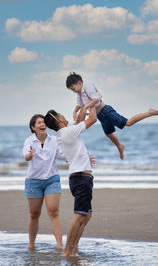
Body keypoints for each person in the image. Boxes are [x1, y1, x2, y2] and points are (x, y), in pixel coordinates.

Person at [66, 72, 158, 160]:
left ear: (79, 83)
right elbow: (79, 104)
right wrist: (75, 112)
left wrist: (86, 106)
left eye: (73, 89)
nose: (74, 91)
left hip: (106, 111)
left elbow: (96, 100)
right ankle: (120, 146)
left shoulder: (87, 86)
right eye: (72, 90)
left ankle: (149, 112)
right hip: (100, 115)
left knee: (128, 123)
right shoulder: (79, 93)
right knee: (109, 134)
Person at [44, 107, 97, 257]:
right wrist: (92, 101)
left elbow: (79, 121)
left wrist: (82, 107)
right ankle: (68, 251)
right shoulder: (67, 132)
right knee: (80, 215)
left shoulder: (64, 133)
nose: (63, 115)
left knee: (87, 215)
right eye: (61, 114)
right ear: (58, 119)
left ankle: (74, 247)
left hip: (80, 177)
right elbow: (93, 119)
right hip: (81, 178)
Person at [23, 114, 66, 250]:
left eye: (44, 122)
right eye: (39, 122)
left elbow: (63, 155)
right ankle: (31, 245)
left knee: (53, 211)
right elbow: (26, 156)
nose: (43, 124)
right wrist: (30, 155)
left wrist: (81, 158)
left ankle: (60, 246)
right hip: (34, 181)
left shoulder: (53, 140)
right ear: (33, 127)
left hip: (51, 179)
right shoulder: (29, 141)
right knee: (34, 214)